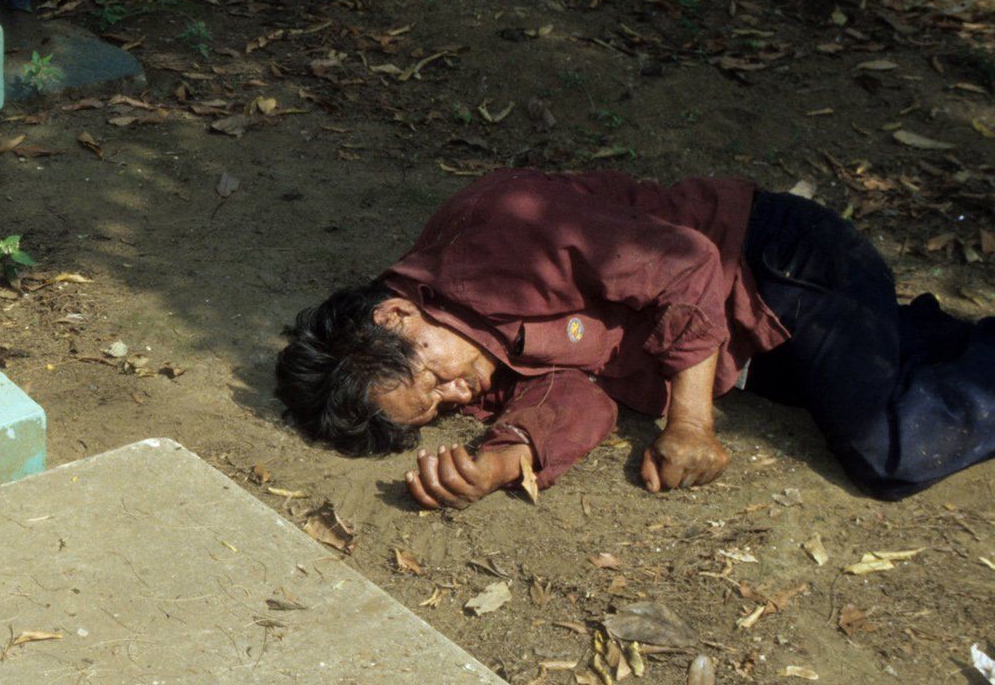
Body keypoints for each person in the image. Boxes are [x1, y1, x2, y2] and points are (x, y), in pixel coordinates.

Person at [273, 168, 995, 509]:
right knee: (887, 365)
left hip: (777, 267)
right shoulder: (456, 346)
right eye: (439, 410)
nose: (460, 397)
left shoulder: (504, 231)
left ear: (394, 317)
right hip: (736, 347)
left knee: (889, 448)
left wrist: (689, 422)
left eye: (437, 385)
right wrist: (498, 464)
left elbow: (689, 267)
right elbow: (578, 400)